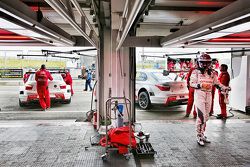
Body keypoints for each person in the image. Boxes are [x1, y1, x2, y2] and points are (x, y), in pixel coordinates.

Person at [190, 53, 231, 146]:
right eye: (203, 63)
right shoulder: (195, 72)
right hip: (199, 94)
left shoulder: (212, 73)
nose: (205, 65)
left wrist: (224, 88)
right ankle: (199, 135)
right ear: (199, 63)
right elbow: (191, 83)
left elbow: (217, 83)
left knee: (206, 116)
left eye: (207, 63)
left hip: (209, 94)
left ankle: (202, 134)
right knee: (201, 117)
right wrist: (200, 85)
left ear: (210, 63)